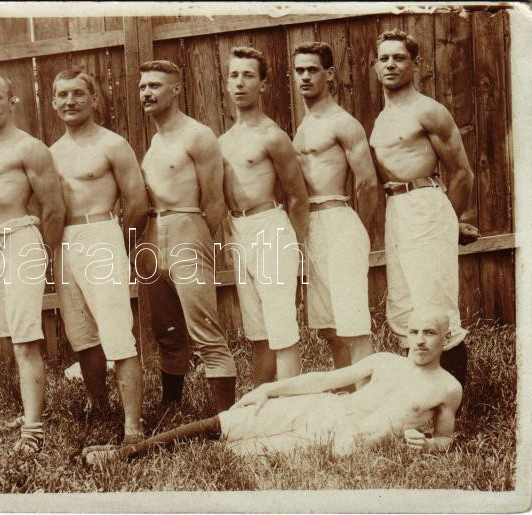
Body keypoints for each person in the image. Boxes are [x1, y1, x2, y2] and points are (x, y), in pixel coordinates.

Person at [82, 306, 462, 464]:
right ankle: (124, 453)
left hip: (343, 440)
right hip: (325, 407)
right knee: (228, 421)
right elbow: (325, 380)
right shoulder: (385, 362)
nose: (420, 341)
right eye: (414, 332)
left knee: (235, 453)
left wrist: (428, 445)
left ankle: (138, 455)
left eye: (430, 333)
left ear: (445, 339)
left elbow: (446, 439)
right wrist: (268, 389)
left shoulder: (447, 389)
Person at [369, 29, 478, 388]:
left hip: (425, 205)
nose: (390, 64)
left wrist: (449, 223)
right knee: (405, 308)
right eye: (384, 58)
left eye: (399, 58)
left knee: (436, 308)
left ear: (415, 65)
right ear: (375, 67)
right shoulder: (382, 119)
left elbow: (462, 172)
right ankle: (420, 396)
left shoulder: (428, 110)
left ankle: (453, 404)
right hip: (397, 209)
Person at [0, 73, 65, 454]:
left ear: (12, 102)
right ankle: (29, 411)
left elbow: (53, 206)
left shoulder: (29, 148)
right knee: (8, 333)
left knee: (25, 339)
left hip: (19, 241)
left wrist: (41, 254)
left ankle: (33, 430)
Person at [49, 68, 149, 443]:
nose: (70, 101)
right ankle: (99, 408)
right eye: (62, 94)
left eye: (78, 93)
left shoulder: (112, 144)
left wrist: (118, 246)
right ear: (53, 102)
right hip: (65, 242)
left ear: (94, 99)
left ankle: (133, 425)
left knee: (117, 334)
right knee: (82, 336)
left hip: (101, 233)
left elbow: (137, 203)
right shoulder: (50, 153)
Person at [137, 60, 238, 413]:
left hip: (187, 228)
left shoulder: (198, 135)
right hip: (154, 235)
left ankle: (227, 417)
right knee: (167, 331)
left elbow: (214, 200)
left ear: (176, 89)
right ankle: (171, 408)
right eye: (143, 86)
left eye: (155, 85)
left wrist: (197, 242)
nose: (147, 93)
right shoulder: (155, 141)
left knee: (205, 329)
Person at [219, 47, 310, 387]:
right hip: (238, 230)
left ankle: (292, 402)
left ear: (263, 84)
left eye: (248, 75)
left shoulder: (272, 136)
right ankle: (261, 399)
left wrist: (295, 248)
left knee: (281, 326)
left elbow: (298, 196)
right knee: (257, 330)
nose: (240, 82)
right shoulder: (222, 141)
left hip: (269, 227)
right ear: (226, 84)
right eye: (234, 75)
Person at [291, 42, 378, 388]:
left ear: (329, 75)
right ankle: (346, 394)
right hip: (312, 228)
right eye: (299, 70)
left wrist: (358, 232)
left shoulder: (343, 123)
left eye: (312, 70)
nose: (305, 76)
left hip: (338, 220)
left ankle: (369, 398)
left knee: (353, 323)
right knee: (329, 326)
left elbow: (367, 183)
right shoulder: (303, 126)